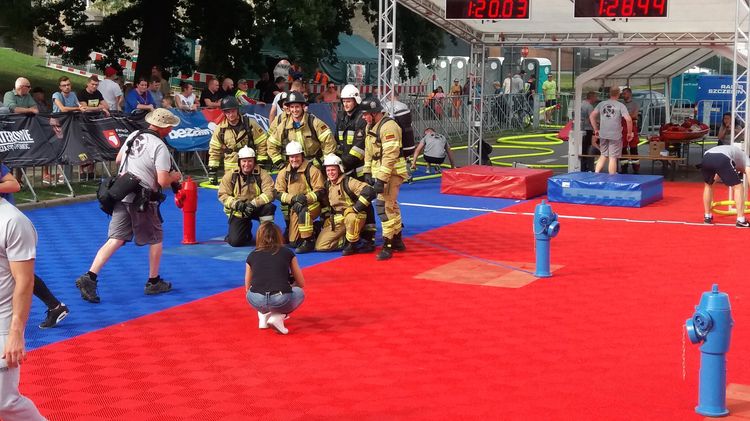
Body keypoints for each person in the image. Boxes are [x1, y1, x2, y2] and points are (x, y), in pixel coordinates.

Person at [74, 109, 182, 303]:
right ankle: (153, 281)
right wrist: (175, 176)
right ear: (165, 127)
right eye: (170, 126)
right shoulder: (160, 146)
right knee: (156, 238)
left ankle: (90, 277)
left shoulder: (134, 135)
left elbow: (118, 160)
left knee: (115, 239)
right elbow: (163, 180)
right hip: (143, 199)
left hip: (121, 193)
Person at [0, 196, 47, 420]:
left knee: (4, 401)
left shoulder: (13, 221)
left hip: (3, 321)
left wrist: (15, 333)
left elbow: (25, 281)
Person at [362, 97, 407, 260]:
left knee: (383, 207)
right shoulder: (371, 126)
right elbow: (369, 150)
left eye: (366, 114)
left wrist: (381, 179)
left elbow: (390, 155)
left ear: (375, 113)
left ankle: (388, 245)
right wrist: (367, 171)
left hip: (391, 173)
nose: (363, 117)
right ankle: (397, 239)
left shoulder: (389, 127)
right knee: (391, 206)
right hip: (381, 171)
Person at [335, 84, 376, 252]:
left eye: (349, 101)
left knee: (364, 200)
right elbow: (338, 141)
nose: (346, 104)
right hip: (345, 165)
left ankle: (369, 238)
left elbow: (360, 146)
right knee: (350, 201)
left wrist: (343, 164)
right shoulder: (341, 116)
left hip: (358, 168)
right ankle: (353, 234)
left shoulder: (361, 118)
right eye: (344, 101)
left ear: (356, 100)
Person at [245, 222, 305, 335]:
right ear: (279, 236)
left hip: (256, 300)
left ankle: (263, 315)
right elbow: (301, 283)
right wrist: (289, 284)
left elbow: (247, 287)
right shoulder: (287, 252)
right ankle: (278, 316)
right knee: (299, 292)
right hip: (280, 298)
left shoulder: (251, 255)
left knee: (254, 291)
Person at [315, 155, 376, 255]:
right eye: (328, 170)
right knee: (321, 246)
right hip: (338, 219)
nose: (330, 173)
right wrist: (325, 218)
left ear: (339, 169)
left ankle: (353, 243)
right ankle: (347, 239)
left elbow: (370, 191)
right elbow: (325, 204)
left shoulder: (349, 182)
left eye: (333, 170)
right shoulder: (327, 185)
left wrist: (355, 209)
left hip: (353, 216)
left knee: (351, 218)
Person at [218, 146, 277, 247]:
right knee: (236, 242)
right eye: (244, 161)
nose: (247, 164)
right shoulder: (231, 175)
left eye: (250, 161)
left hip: (258, 208)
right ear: (239, 162)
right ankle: (245, 229)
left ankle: (267, 235)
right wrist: (236, 204)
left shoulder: (262, 174)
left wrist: (254, 204)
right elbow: (222, 195)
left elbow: (270, 193)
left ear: (254, 161)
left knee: (269, 207)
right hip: (240, 210)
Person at [274, 141, 325, 253]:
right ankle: (315, 228)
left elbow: (320, 191)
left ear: (302, 156)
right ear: (288, 158)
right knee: (293, 242)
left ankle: (309, 240)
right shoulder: (284, 172)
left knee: (304, 211)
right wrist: (293, 199)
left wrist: (305, 199)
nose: (294, 159)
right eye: (291, 157)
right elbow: (277, 193)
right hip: (294, 207)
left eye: (297, 156)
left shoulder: (312, 170)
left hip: (312, 205)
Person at [207, 96, 269, 184]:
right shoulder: (220, 129)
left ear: (237, 110)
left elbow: (262, 143)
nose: (231, 114)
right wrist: (212, 172)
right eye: (227, 112)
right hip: (230, 169)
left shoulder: (249, 124)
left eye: (233, 111)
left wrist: (261, 164)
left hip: (249, 166)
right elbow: (214, 151)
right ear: (224, 113)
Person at [267, 91, 336, 168]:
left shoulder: (313, 122)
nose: (294, 110)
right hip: (293, 166)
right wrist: (279, 162)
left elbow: (329, 141)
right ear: (289, 108)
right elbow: (271, 143)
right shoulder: (284, 125)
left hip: (314, 166)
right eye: (292, 107)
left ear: (303, 107)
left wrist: (324, 161)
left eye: (297, 107)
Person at [701, 144, 750, 227]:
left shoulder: (736, 155)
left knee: (708, 185)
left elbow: (719, 171)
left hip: (707, 157)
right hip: (722, 158)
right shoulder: (747, 161)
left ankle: (707, 216)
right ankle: (741, 219)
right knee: (738, 187)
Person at [589, 86, 633, 175]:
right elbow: (628, 119)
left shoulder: (601, 104)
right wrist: (629, 133)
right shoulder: (620, 105)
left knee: (603, 154)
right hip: (615, 134)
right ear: (618, 94)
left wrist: (596, 129)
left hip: (603, 133)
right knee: (613, 157)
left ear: (609, 93)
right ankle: (612, 178)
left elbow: (592, 116)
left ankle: (596, 174)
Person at [620, 88, 641, 174]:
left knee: (633, 148)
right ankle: (624, 167)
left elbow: (634, 115)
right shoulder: (621, 104)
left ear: (630, 94)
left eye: (625, 93)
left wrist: (625, 116)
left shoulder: (635, 104)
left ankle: (636, 168)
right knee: (623, 148)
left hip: (632, 127)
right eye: (623, 93)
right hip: (622, 127)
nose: (623, 95)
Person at [579, 91, 598, 172]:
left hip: (579, 129)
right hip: (587, 129)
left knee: (581, 148)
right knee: (587, 149)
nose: (596, 99)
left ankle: (581, 166)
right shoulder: (589, 107)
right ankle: (587, 167)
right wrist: (596, 128)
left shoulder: (580, 104)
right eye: (595, 97)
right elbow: (592, 118)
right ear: (591, 97)